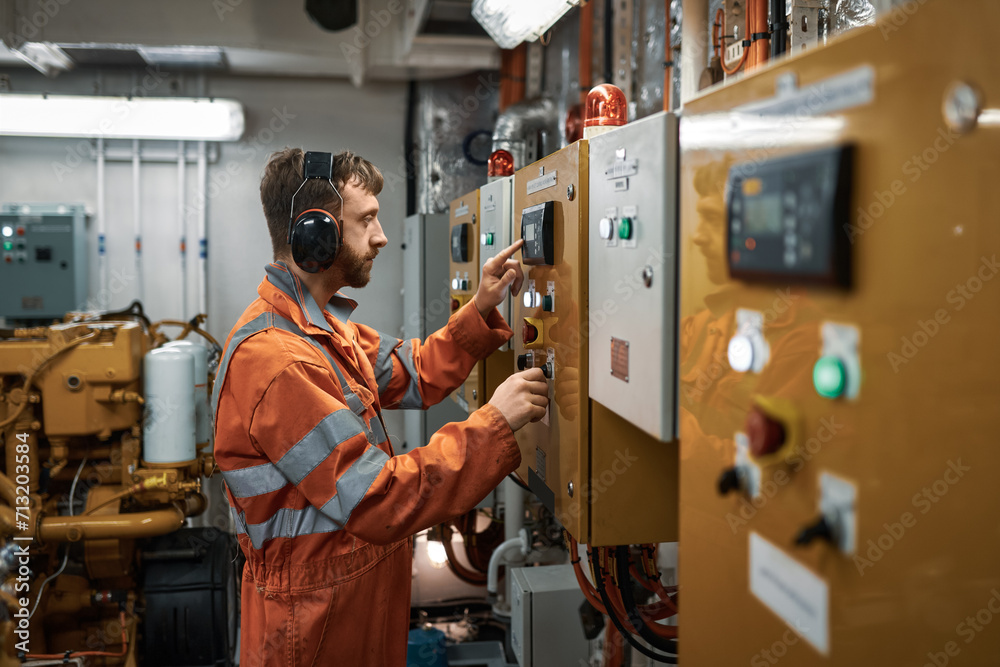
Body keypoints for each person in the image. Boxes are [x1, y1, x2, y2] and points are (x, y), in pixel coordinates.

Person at [212, 148, 549, 666]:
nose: (381, 236)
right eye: (366, 219)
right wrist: (493, 427)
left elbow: (415, 371)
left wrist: (481, 309)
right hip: (314, 626)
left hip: (350, 600)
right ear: (316, 233)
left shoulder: (323, 329)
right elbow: (378, 499)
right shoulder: (278, 362)